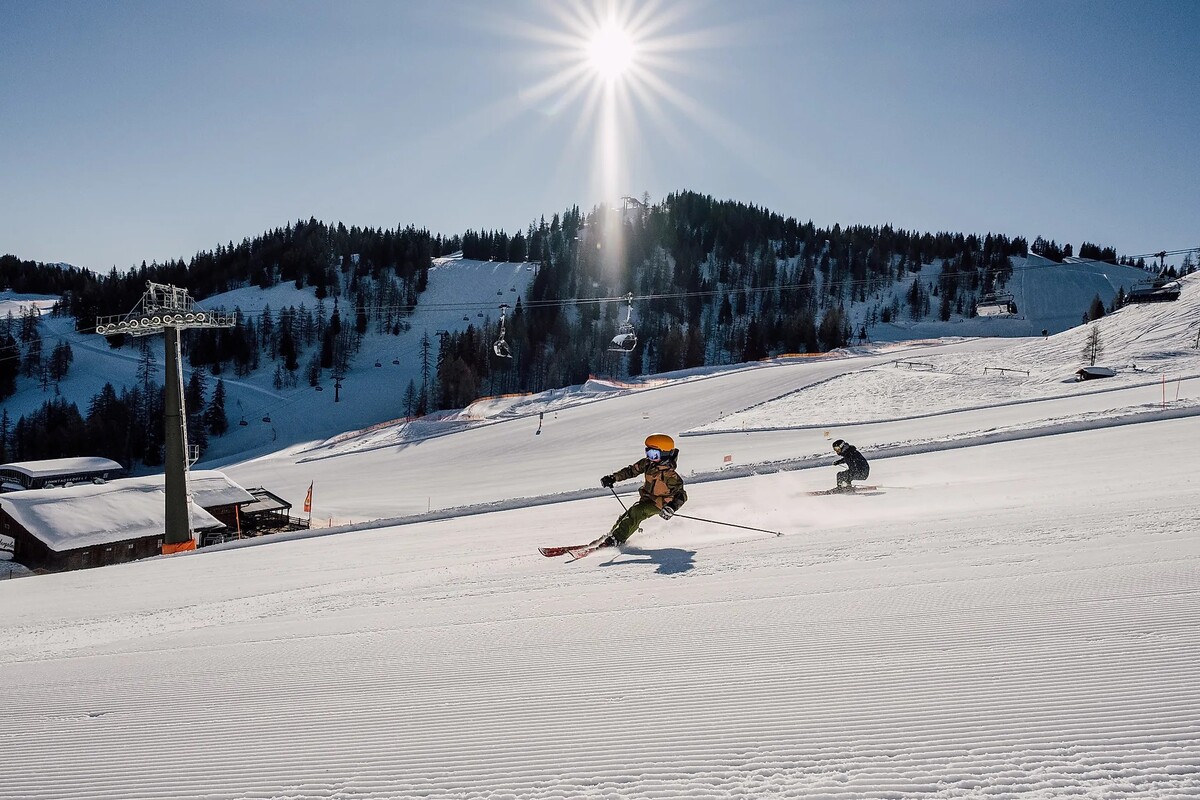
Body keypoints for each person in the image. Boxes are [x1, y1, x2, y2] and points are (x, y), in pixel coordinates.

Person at [593, 433, 688, 548]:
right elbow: (631, 471)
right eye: (648, 452)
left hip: (661, 503)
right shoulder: (648, 463)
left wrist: (672, 507)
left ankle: (617, 539)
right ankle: (612, 535)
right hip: (647, 498)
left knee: (637, 512)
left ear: (664, 454)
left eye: (654, 454)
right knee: (628, 514)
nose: (650, 457)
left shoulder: (670, 475)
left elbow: (681, 495)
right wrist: (614, 478)